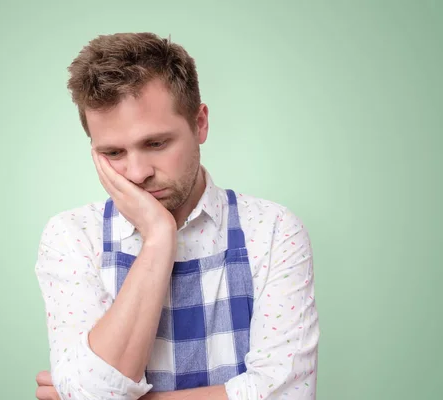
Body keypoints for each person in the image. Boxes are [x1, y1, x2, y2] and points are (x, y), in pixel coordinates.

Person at [34, 32, 319, 400]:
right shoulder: (72, 237)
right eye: (114, 153)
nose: (137, 173)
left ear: (199, 123)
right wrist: (158, 237)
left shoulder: (272, 229)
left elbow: (288, 395)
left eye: (156, 144)